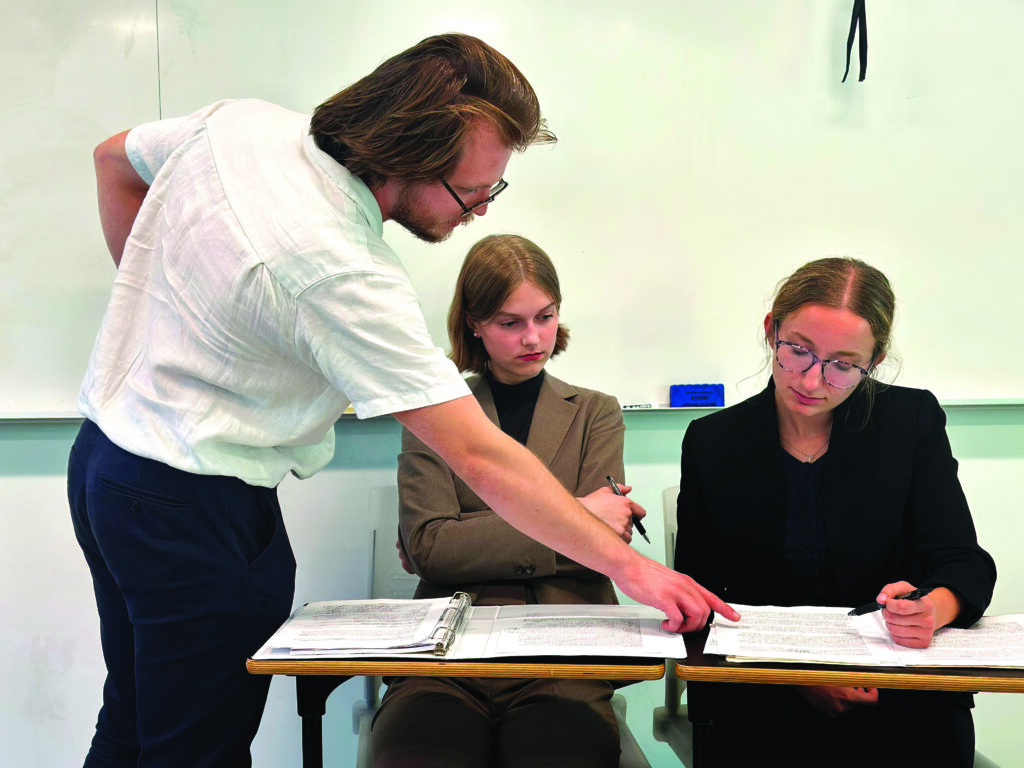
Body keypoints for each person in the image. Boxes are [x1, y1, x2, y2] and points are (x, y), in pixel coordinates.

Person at [70, 33, 735, 767]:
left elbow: (113, 159)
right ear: (408, 157)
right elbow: (482, 460)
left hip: (107, 461)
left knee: (134, 720)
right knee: (196, 748)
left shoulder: (243, 125)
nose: (481, 211)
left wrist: (174, 321)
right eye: (471, 191)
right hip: (190, 502)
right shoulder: (340, 268)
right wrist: (633, 566)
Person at [674, 257, 997, 767]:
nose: (813, 380)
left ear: (875, 359)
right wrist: (800, 680)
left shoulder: (910, 422)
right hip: (766, 694)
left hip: (900, 695)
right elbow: (699, 597)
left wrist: (934, 609)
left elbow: (962, 560)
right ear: (770, 332)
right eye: (798, 351)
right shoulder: (714, 442)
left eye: (843, 364)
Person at [371, 234, 641, 767]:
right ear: (474, 322)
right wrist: (577, 515)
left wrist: (472, 532)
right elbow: (431, 549)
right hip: (446, 655)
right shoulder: (433, 411)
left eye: (544, 316)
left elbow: (604, 541)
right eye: (509, 323)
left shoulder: (596, 413)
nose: (533, 338)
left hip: (563, 653)